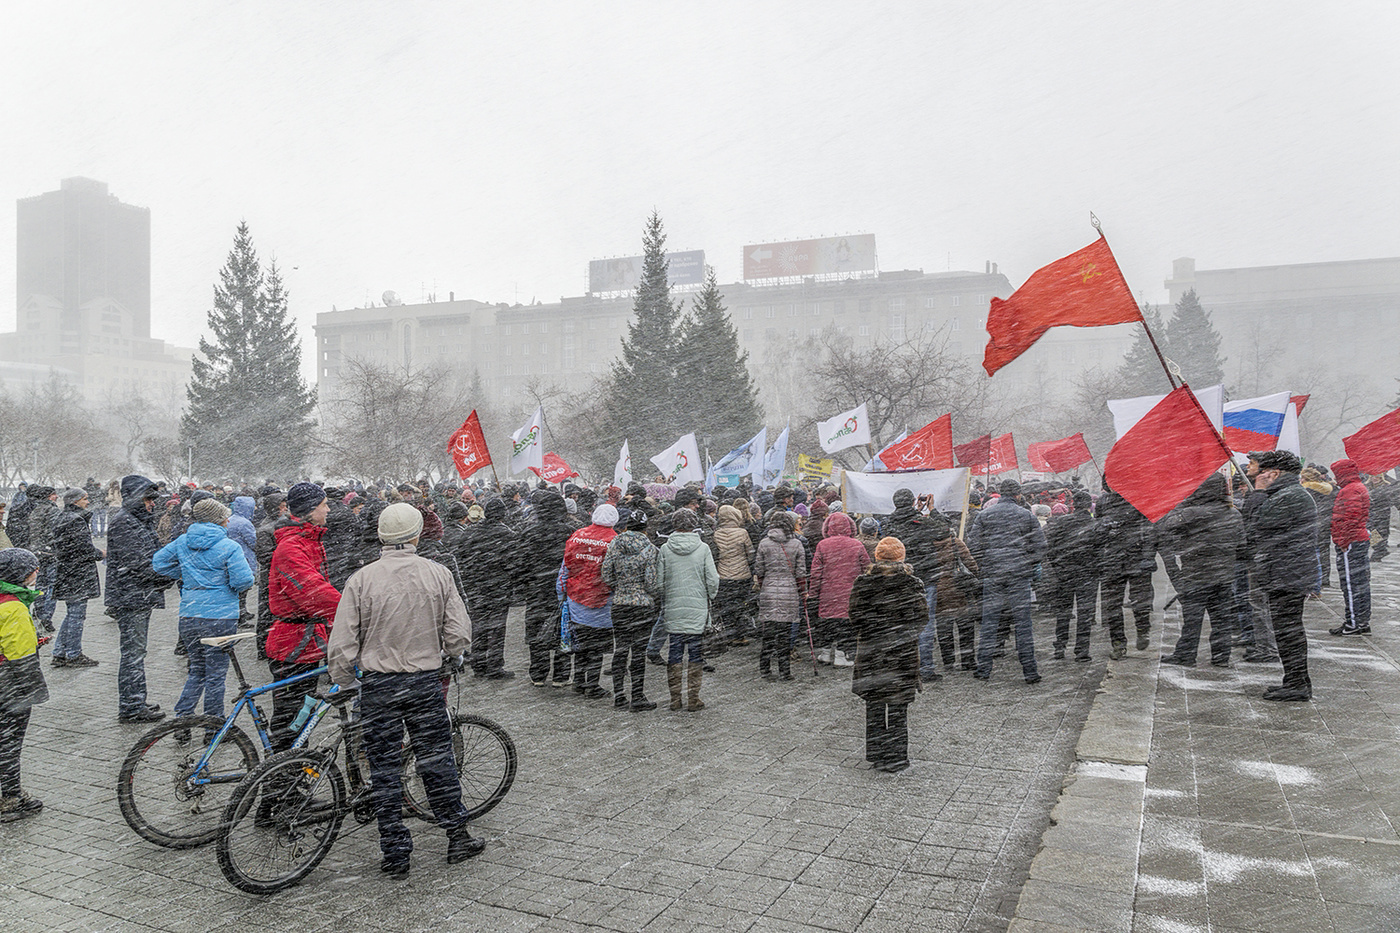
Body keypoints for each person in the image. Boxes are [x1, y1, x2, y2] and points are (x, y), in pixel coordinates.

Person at [326, 502, 483, 876]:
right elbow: (459, 633)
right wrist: (453, 655)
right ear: (416, 536)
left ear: (382, 537)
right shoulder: (438, 574)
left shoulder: (361, 580)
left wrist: (345, 679)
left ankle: (395, 851)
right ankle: (456, 835)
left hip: (378, 686)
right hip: (423, 683)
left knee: (384, 767)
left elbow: (342, 643)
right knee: (436, 761)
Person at [152, 498, 255, 729]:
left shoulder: (182, 541)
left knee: (197, 669)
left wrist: (185, 573)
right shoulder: (229, 546)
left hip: (189, 614)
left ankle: (183, 719)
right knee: (216, 673)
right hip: (220, 616)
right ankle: (214, 724)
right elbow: (244, 580)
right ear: (219, 520)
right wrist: (226, 584)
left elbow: (158, 563)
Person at [265, 483, 341, 750]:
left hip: (306, 641)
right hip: (293, 644)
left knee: (301, 717)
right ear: (310, 511)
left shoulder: (308, 540)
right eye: (324, 505)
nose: (329, 509)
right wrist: (351, 611)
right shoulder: (291, 547)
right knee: (290, 723)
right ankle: (279, 786)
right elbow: (313, 591)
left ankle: (294, 778)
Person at [847, 537, 924, 773]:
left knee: (875, 704)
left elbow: (855, 616)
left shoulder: (864, 582)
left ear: (877, 557)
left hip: (872, 652)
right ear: (901, 557)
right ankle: (897, 756)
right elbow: (920, 619)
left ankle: (878, 753)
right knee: (899, 706)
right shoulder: (911, 583)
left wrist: (874, 631)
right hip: (902, 654)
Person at [1252, 451, 1319, 701]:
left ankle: (1298, 684)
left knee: (1289, 632)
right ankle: (1294, 681)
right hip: (1287, 571)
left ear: (1275, 473)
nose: (1259, 476)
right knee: (1287, 631)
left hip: (1287, 573)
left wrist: (1258, 493)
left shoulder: (1289, 496)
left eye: (1262, 472)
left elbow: (1256, 526)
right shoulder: (1289, 494)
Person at [105, 476, 170, 723]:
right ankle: (131, 706)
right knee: (133, 653)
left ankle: (136, 700)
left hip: (136, 595)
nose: (152, 505)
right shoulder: (125, 523)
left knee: (136, 652)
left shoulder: (136, 521)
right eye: (148, 500)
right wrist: (168, 574)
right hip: (131, 597)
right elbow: (140, 564)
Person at [967, 479, 1045, 684]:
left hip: (993, 574)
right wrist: (1026, 563)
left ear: (1001, 494)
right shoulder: (1026, 515)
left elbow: (973, 546)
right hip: (1019, 575)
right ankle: (1029, 670)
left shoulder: (984, 515)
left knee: (989, 622)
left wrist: (986, 566)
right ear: (1018, 495)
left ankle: (983, 668)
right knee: (1023, 623)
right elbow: (1040, 546)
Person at [1160, 474, 1241, 667]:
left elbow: (1166, 525)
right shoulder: (1234, 513)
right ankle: (1221, 656)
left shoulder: (1190, 513)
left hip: (1196, 573)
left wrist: (1183, 502)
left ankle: (1186, 655)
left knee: (1193, 619)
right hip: (1224, 574)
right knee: (1222, 619)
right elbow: (1241, 545)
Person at [0, 548, 49, 820]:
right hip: (8, 686)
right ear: (19, 575)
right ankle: (10, 798)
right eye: (33, 568)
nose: (37, 572)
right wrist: (33, 692)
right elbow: (21, 659)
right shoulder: (13, 608)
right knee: (9, 743)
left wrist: (34, 639)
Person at [657, 508, 718, 711]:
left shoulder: (665, 549)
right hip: (697, 609)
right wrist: (710, 594)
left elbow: (659, 582)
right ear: (694, 526)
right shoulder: (703, 548)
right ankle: (693, 698)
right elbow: (712, 579)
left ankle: (675, 698)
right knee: (695, 653)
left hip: (674, 608)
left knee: (674, 652)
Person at [600, 508, 660, 710]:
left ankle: (619, 695)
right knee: (638, 652)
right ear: (645, 528)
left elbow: (606, 574)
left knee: (621, 649)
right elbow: (652, 583)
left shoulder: (615, 543)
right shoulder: (650, 549)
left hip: (620, 604)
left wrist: (621, 585)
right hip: (642, 606)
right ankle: (637, 696)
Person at [514, 491, 575, 687]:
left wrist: (524, 584)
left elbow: (520, 563)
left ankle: (538, 673)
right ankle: (561, 674)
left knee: (537, 630)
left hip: (536, 589)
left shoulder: (529, 532)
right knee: (562, 628)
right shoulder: (570, 532)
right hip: (562, 589)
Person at [559, 504, 618, 699]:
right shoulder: (614, 541)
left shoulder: (577, 535)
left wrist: (562, 595)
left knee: (581, 643)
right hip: (601, 601)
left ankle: (578, 681)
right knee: (597, 646)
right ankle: (592, 684)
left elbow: (565, 568)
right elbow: (614, 574)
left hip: (576, 598)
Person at [458, 499, 517, 679]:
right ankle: (494, 666)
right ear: (502, 514)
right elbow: (513, 563)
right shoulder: (507, 534)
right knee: (497, 628)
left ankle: (479, 663)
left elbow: (461, 559)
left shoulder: (470, 532)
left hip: (476, 587)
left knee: (479, 626)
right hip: (498, 588)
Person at [49, 488, 104, 668]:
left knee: (72, 614)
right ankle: (73, 653)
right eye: (85, 499)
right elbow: (83, 549)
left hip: (68, 572)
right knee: (77, 616)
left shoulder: (62, 518)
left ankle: (59, 652)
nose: (87, 502)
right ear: (76, 501)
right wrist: (100, 553)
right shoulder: (76, 521)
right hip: (77, 574)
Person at [808, 511, 871, 668]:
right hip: (849, 592)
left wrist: (813, 592)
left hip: (827, 592)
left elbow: (816, 572)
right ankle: (842, 655)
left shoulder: (822, 545)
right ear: (850, 526)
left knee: (828, 623)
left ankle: (825, 653)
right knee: (845, 623)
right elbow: (867, 569)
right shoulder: (857, 545)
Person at [1044, 489, 1099, 662]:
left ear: (1073, 505)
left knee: (1064, 611)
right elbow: (1100, 552)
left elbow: (1050, 548)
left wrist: (1057, 567)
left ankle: (1060, 646)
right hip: (1088, 574)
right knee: (1085, 612)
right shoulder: (1095, 525)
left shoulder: (1062, 523)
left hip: (1065, 573)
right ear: (1090, 506)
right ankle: (1082, 650)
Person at [753, 510, 806, 681]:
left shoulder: (764, 543)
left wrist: (762, 585)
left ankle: (765, 668)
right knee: (784, 634)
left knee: (768, 632)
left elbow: (759, 570)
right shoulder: (797, 544)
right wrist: (802, 590)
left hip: (768, 589)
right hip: (789, 590)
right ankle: (785, 671)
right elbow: (800, 572)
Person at [1328, 458, 1371, 636]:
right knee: (1360, 583)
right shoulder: (1357, 487)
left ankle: (1353, 622)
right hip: (1357, 540)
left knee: (1351, 584)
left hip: (1351, 543)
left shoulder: (1350, 490)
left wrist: (1343, 541)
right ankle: (1361, 621)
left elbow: (1350, 518)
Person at [712, 504, 755, 646]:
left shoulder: (716, 533)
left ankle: (728, 635)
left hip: (723, 576)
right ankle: (740, 635)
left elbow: (716, 555)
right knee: (740, 606)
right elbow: (750, 553)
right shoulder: (742, 533)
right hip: (742, 576)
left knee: (726, 607)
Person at [26, 487, 60, 633]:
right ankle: (46, 616)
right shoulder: (51, 510)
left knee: (41, 584)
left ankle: (39, 611)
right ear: (48, 496)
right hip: (50, 553)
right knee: (52, 586)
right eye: (54, 494)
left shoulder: (36, 510)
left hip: (39, 552)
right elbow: (56, 531)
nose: (57, 497)